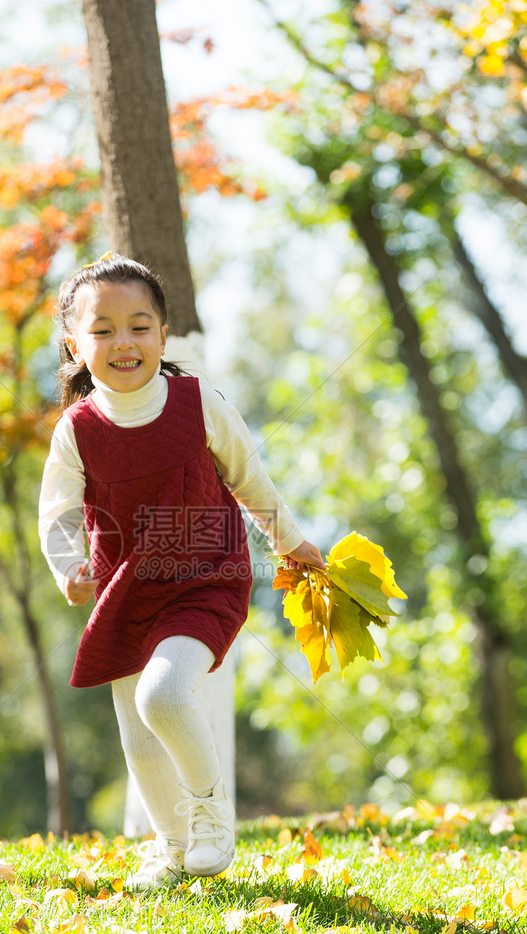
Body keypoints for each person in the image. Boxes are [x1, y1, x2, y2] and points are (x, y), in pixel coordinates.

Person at [38, 254, 323, 889]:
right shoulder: (77, 430)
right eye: (103, 329)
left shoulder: (198, 403)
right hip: (125, 592)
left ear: (163, 335)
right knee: (138, 737)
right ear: (75, 345)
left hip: (205, 578)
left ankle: (211, 814)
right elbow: (56, 514)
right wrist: (68, 568)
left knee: (162, 695)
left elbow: (252, 480)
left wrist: (291, 542)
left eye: (139, 326)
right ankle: (172, 851)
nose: (124, 342)